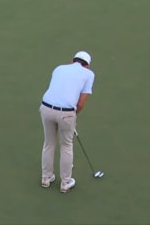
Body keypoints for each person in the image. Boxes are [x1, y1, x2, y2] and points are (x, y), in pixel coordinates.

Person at [39, 51, 95, 193]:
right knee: (66, 146)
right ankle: (65, 182)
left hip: (45, 108)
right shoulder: (89, 74)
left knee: (49, 143)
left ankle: (46, 178)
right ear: (87, 65)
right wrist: (72, 117)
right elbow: (81, 103)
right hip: (66, 112)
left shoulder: (59, 68)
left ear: (73, 60)